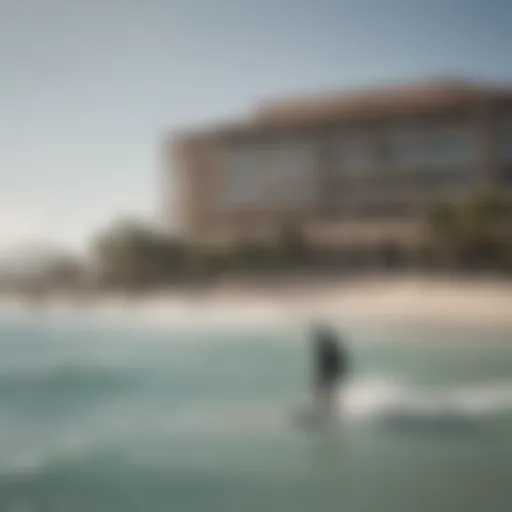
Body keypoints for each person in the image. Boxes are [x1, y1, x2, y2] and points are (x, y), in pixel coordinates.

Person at [311, 323, 349, 420]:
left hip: (330, 373)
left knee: (327, 393)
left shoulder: (328, 348)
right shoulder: (329, 348)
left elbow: (335, 363)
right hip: (331, 373)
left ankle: (329, 412)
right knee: (327, 393)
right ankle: (329, 412)